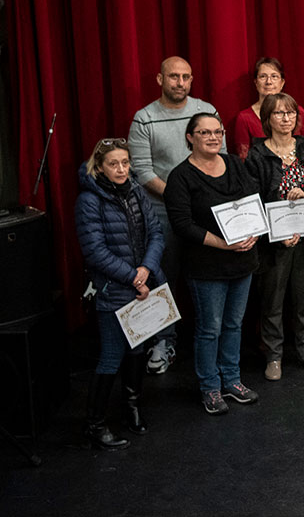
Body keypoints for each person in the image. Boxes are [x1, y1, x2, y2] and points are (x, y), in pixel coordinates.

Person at [128, 56, 222, 374]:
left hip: (204, 214)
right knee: (161, 279)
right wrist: (180, 197)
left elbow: (219, 157)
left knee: (207, 276)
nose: (180, 83)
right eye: (173, 77)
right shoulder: (144, 119)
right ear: (160, 79)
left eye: (185, 77)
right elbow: (141, 170)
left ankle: (209, 341)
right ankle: (163, 342)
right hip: (161, 215)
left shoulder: (205, 111)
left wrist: (199, 201)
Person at [164, 113, 260, 415]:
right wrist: (223, 244)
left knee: (234, 324)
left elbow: (252, 200)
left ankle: (232, 380)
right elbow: (182, 224)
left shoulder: (233, 163)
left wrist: (254, 234)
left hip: (243, 260)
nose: (213, 137)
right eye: (204, 132)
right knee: (210, 328)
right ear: (190, 137)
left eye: (217, 131)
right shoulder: (180, 177)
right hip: (206, 266)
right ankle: (210, 387)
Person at [75, 138, 164, 449]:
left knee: (138, 351)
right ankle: (95, 424)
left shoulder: (137, 190)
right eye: (113, 164)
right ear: (99, 167)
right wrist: (134, 278)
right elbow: (95, 252)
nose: (121, 169)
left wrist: (146, 270)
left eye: (125, 163)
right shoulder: (89, 199)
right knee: (112, 356)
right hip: (113, 290)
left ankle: (132, 408)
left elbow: (155, 233)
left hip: (142, 285)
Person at [245, 93, 304, 380]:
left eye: (291, 113)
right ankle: (274, 356)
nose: (286, 119)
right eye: (279, 114)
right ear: (267, 119)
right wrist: (276, 233)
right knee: (272, 300)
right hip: (274, 242)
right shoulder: (258, 155)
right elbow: (253, 201)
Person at [231, 57, 304, 160]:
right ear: (256, 83)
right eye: (263, 76)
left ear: (282, 82)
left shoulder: (298, 112)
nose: (269, 82)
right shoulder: (244, 118)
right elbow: (244, 159)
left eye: (274, 76)